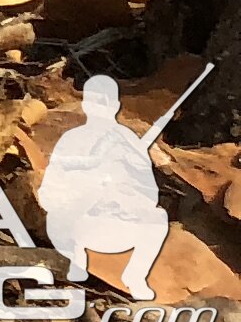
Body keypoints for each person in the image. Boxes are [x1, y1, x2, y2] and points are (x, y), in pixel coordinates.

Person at [37, 75, 174, 301]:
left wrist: (126, 196)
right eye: (94, 102)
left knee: (158, 218)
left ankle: (135, 276)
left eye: (105, 103)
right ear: (86, 104)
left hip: (115, 223)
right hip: (75, 222)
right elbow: (53, 186)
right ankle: (75, 258)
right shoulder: (72, 137)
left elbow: (148, 193)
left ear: (115, 106)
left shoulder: (127, 140)